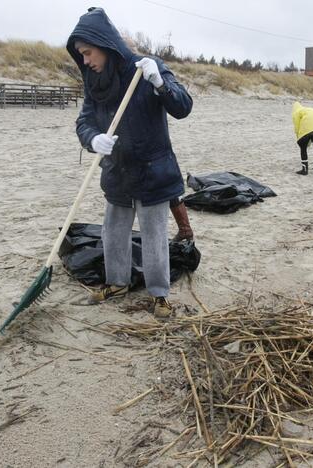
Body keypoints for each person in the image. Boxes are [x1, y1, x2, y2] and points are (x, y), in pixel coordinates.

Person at [66, 7, 193, 318]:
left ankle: (159, 295)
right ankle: (117, 282)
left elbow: (183, 106)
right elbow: (84, 121)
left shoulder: (146, 68)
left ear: (105, 44)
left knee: (154, 237)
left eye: (88, 52)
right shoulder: (95, 83)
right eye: (81, 55)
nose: (85, 61)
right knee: (112, 232)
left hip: (153, 171)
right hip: (118, 173)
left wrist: (160, 83)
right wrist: (93, 138)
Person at [291, 102, 313, 175]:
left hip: (310, 128)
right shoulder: (308, 110)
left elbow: (297, 127)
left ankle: (304, 170)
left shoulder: (296, 113)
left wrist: (299, 139)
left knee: (303, 147)